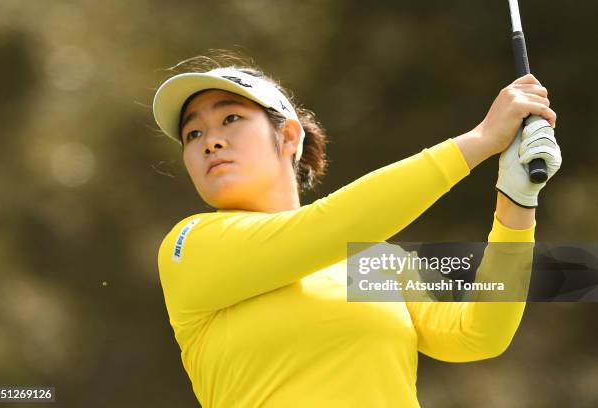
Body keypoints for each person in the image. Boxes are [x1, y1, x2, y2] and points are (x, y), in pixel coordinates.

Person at [152, 54, 561, 407]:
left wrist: (517, 201)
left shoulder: (370, 262)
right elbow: (324, 229)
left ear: (288, 136)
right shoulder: (190, 247)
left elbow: (478, 334)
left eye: (230, 118)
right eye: (194, 133)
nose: (211, 142)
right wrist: (480, 141)